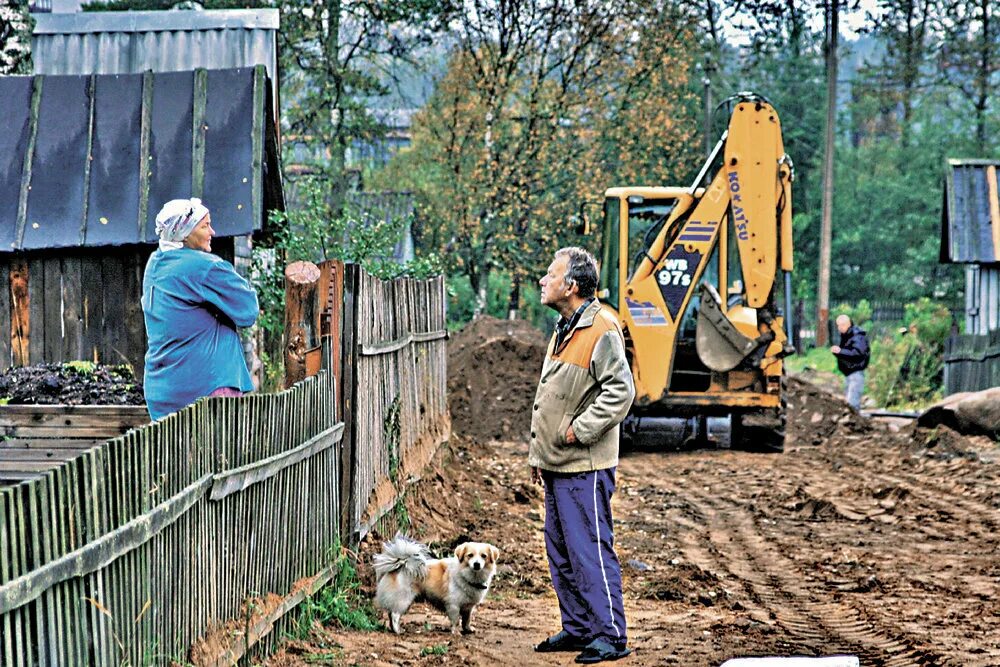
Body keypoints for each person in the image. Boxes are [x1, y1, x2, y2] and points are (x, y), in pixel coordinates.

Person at [529, 247, 635, 664]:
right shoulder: (564, 327)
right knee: (561, 551)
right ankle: (578, 628)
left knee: (588, 547)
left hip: (584, 463)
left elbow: (620, 391)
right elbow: (549, 394)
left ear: (571, 285)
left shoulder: (601, 326)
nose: (543, 280)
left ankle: (610, 634)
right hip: (558, 461)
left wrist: (579, 430)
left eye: (550, 274)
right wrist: (539, 455)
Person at [141, 198, 259, 421]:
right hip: (207, 387)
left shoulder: (155, 263)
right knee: (220, 456)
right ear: (184, 233)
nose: (212, 231)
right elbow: (248, 311)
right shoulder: (205, 267)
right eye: (205, 226)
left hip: (163, 390)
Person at [830, 314, 870, 410]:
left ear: (848, 324)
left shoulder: (857, 336)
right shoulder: (848, 336)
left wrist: (840, 352)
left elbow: (857, 354)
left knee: (852, 404)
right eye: (838, 325)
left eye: (842, 325)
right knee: (849, 402)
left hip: (855, 373)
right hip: (849, 373)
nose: (839, 328)